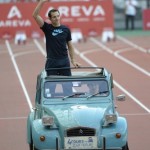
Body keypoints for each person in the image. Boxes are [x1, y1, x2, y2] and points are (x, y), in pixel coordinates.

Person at [32, 0, 80, 76]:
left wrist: (73, 60)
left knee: (67, 86)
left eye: (58, 16)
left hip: (64, 61)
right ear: (50, 19)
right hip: (52, 62)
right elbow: (35, 15)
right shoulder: (47, 28)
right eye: (54, 17)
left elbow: (70, 46)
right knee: (51, 87)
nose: (57, 18)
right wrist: (42, 2)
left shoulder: (66, 29)